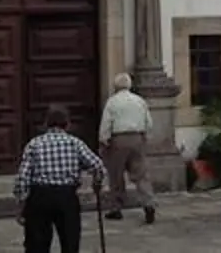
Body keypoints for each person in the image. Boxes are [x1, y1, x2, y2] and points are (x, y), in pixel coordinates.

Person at [13, 104, 107, 253]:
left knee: (37, 245)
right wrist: (97, 182)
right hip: (66, 197)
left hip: (40, 196)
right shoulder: (75, 143)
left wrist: (21, 205)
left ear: (46, 123)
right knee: (70, 242)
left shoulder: (34, 144)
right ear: (67, 123)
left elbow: (23, 178)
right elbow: (98, 166)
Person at [98, 72, 156, 224]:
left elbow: (106, 123)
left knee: (116, 175)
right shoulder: (139, 101)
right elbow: (148, 122)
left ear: (115, 86)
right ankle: (148, 203)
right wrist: (145, 138)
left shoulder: (112, 102)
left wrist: (104, 140)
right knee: (141, 174)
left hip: (119, 139)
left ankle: (116, 208)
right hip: (137, 137)